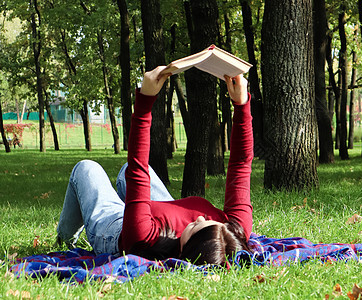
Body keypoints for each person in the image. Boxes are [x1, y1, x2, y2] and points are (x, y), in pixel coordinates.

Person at [56, 67, 253, 266]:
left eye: (194, 227)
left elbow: (138, 168)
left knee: (87, 169)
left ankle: (65, 237)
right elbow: (241, 165)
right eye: (211, 222)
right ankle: (135, 209)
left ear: (184, 248)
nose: (200, 218)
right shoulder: (233, 230)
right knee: (124, 171)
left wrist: (145, 99)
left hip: (113, 230)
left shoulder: (145, 237)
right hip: (160, 212)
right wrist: (241, 103)